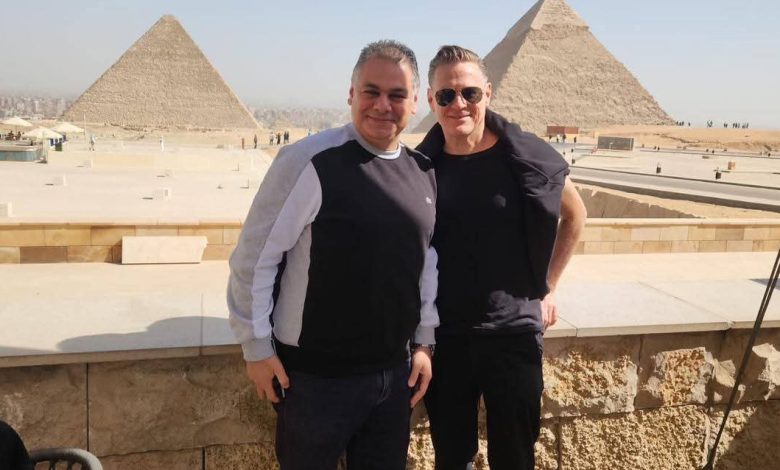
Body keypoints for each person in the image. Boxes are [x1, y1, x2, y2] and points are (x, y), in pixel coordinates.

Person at [227, 39, 438, 470]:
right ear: (351, 93)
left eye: (397, 94)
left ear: (415, 101)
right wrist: (256, 347)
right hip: (314, 380)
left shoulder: (422, 172)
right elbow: (255, 257)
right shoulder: (309, 161)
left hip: (393, 376)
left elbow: (424, 266)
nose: (383, 105)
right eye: (371, 91)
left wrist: (424, 342)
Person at [417, 45, 586, 470]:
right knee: (452, 458)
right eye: (446, 95)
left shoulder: (527, 158)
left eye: (470, 93)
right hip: (446, 337)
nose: (459, 104)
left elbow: (575, 215)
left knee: (515, 457)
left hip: (513, 334)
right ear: (431, 100)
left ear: (488, 94)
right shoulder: (420, 167)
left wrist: (548, 287)